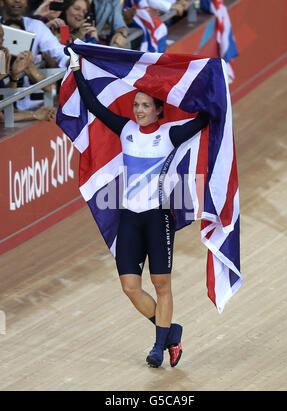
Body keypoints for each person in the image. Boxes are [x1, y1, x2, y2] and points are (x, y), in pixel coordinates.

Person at [66, 47, 209, 368]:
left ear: (159, 110)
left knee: (161, 286)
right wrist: (76, 68)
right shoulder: (126, 129)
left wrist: (214, 84)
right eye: (136, 105)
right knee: (130, 287)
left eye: (146, 106)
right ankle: (172, 333)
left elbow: (206, 116)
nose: (139, 110)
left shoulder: (171, 134)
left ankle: (159, 348)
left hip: (159, 219)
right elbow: (93, 105)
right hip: (129, 218)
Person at [0, 23, 56, 122]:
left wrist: (15, 75)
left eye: (2, 38)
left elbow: (7, 108)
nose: (1, 42)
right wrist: (34, 115)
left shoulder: (7, 61)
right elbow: (2, 117)